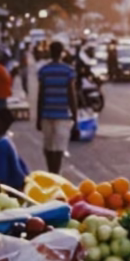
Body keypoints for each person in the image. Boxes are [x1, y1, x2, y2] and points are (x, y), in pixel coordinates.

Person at [36, 40, 78, 175]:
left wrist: (38, 117)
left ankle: (50, 171)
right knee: (59, 148)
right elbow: (72, 95)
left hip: (46, 114)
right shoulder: (68, 71)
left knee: (48, 147)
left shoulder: (44, 71)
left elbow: (40, 96)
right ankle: (56, 173)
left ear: (49, 52)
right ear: (62, 53)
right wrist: (75, 115)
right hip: (62, 115)